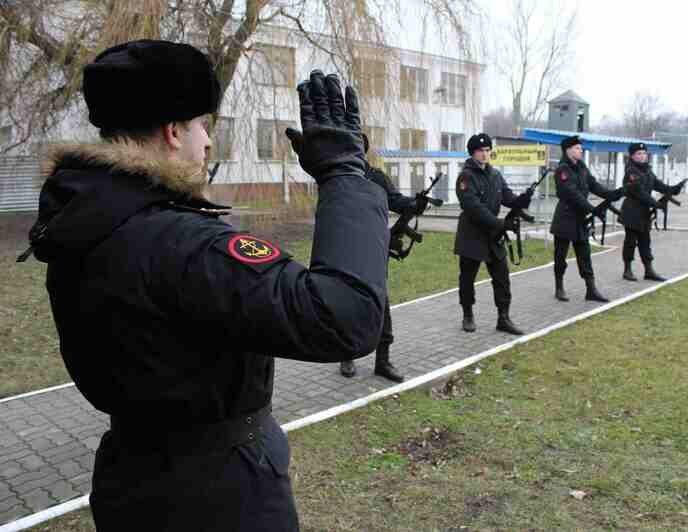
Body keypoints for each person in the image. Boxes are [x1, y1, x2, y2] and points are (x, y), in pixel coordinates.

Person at [20, 40, 388, 532]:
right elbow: (344, 317)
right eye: (201, 126)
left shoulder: (81, 223)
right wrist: (344, 172)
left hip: (132, 479)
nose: (207, 143)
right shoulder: (179, 241)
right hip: (218, 498)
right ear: (173, 132)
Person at [338, 133, 423, 382]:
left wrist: (416, 204)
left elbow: (396, 201)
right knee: (349, 303)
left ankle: (383, 361)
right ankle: (347, 355)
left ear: (362, 150)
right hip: (347, 250)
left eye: (357, 149)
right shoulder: (339, 180)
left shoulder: (377, 178)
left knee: (380, 302)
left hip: (375, 251)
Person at [454, 133, 531, 335]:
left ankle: (503, 318)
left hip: (493, 236)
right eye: (481, 151)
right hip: (472, 235)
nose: (485, 154)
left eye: (488, 150)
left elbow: (508, 197)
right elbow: (473, 207)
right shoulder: (465, 177)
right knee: (467, 278)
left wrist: (523, 199)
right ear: (473, 153)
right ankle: (468, 315)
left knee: (502, 278)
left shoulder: (495, 175)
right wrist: (500, 223)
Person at [550, 135, 624, 303]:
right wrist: (592, 209)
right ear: (568, 150)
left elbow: (594, 185)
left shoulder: (582, 167)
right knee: (560, 255)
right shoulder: (562, 169)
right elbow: (572, 194)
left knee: (585, 254)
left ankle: (591, 289)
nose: (580, 150)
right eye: (577, 148)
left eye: (580, 148)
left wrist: (613, 194)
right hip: (565, 218)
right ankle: (559, 287)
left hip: (580, 219)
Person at [620, 142, 684, 282]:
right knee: (630, 242)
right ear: (632, 156)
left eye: (644, 153)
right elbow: (640, 193)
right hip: (632, 212)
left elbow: (659, 185)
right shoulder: (631, 172)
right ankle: (627, 269)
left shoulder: (647, 171)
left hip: (644, 212)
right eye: (639, 154)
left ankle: (649, 270)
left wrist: (674, 189)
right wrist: (656, 204)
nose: (642, 156)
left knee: (645, 241)